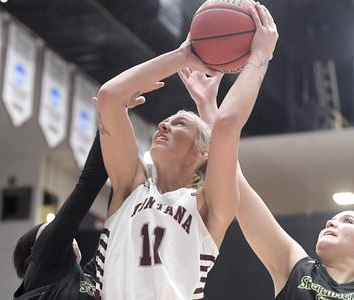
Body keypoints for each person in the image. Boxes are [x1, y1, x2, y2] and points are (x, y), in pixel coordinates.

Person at [179, 61, 354, 300]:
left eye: (347, 221)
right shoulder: (295, 267)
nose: (330, 223)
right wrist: (207, 106)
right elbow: (235, 181)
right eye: (333, 219)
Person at [93, 2, 278, 299]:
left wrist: (260, 55)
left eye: (177, 124)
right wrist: (183, 56)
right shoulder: (131, 189)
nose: (162, 126)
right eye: (163, 123)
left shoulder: (209, 206)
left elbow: (227, 126)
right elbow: (109, 97)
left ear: (204, 151)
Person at [12, 96, 150, 300]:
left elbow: (116, 207)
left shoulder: (89, 280)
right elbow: (87, 187)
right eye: (49, 231)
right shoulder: (45, 264)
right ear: (37, 251)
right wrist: (113, 114)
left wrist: (116, 119)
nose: (59, 232)